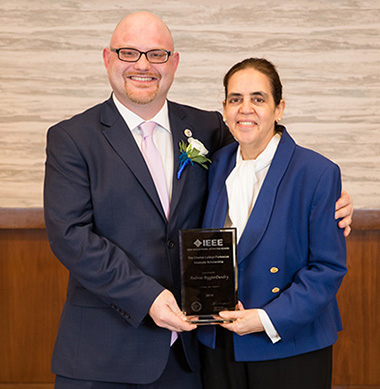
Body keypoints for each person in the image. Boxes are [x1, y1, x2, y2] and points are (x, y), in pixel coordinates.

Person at [44, 12, 353, 389]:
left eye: (157, 54)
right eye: (129, 53)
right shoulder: (71, 137)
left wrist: (329, 199)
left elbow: (266, 163)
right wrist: (148, 298)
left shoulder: (207, 128)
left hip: (191, 354)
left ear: (173, 63)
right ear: (108, 59)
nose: (143, 65)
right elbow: (70, 236)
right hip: (105, 352)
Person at [198, 57, 348, 389]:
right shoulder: (214, 164)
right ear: (224, 109)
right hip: (220, 341)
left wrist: (265, 318)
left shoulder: (317, 172)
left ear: (279, 108)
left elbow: (328, 268)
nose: (245, 109)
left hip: (289, 343)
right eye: (235, 99)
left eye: (258, 98)